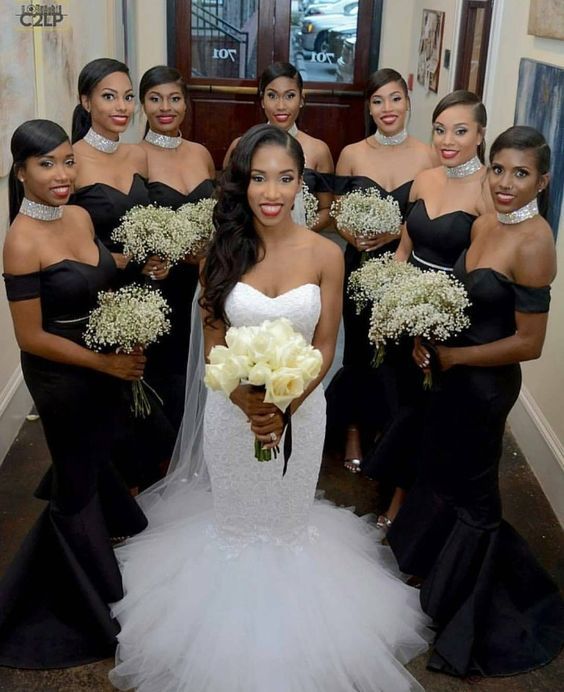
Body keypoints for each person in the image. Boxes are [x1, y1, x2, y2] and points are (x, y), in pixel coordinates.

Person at [108, 124, 431, 692]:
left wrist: (284, 404)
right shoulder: (220, 253)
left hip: (302, 412)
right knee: (237, 522)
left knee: (286, 521)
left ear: (302, 182)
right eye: (259, 178)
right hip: (233, 414)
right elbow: (212, 343)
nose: (271, 191)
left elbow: (326, 345)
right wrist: (247, 403)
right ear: (242, 184)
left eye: (285, 178)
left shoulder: (327, 254)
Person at [388, 126, 564, 677]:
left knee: (476, 492)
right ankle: (439, 578)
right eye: (499, 169)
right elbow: (458, 297)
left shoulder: (536, 242)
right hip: (447, 375)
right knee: (441, 470)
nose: (507, 183)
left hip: (484, 386)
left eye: (521, 173)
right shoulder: (484, 222)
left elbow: (529, 345)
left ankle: (476, 602)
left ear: (543, 181)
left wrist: (456, 358)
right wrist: (425, 331)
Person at [0, 120, 148, 668]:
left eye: (67, 161)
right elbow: (31, 337)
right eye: (46, 165)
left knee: (93, 458)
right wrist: (105, 363)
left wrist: (141, 264)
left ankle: (97, 558)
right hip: (63, 375)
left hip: (104, 364)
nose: (62, 175)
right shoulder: (20, 241)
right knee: (76, 478)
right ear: (21, 172)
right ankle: (71, 597)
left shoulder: (82, 215)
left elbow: (99, 270)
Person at [363, 90, 494, 528]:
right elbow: (404, 248)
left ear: (480, 134)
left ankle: (406, 506)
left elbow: (480, 274)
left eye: (460, 130)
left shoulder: (488, 193)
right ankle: (397, 487)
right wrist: (389, 302)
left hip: (449, 319)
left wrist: (435, 325)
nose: (447, 140)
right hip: (404, 312)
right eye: (440, 130)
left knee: (427, 417)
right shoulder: (425, 179)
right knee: (399, 406)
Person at [70, 57, 175, 488]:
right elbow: (65, 239)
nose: (122, 107)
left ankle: (141, 480)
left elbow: (147, 221)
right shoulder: (71, 158)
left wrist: (158, 257)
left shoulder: (138, 154)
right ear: (85, 101)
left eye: (128, 97)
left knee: (146, 382)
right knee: (105, 395)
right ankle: (112, 493)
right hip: (95, 293)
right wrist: (114, 261)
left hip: (143, 293)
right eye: (109, 96)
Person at [325, 68, 435, 474]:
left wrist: (394, 234)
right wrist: (353, 236)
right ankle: (352, 429)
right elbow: (336, 211)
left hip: (405, 270)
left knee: (396, 358)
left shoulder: (429, 154)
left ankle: (389, 433)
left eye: (395, 98)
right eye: (377, 101)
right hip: (360, 267)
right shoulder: (353, 153)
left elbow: (432, 213)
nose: (387, 109)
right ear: (368, 107)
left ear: (408, 102)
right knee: (357, 350)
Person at [139, 65, 216, 432]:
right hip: (161, 283)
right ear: (143, 105)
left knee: (206, 363)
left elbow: (218, 216)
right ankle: (162, 449)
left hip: (205, 280)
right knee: (166, 368)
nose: (165, 107)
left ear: (186, 104)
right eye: (155, 99)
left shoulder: (201, 153)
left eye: (174, 98)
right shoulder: (135, 156)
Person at [223, 61, 334, 230]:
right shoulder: (240, 146)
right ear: (262, 101)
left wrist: (297, 235)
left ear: (301, 100)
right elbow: (227, 203)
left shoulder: (319, 150)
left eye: (289, 96)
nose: (281, 106)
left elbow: (327, 210)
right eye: (272, 96)